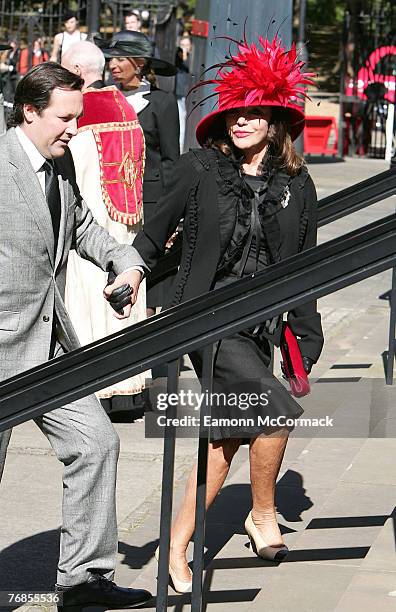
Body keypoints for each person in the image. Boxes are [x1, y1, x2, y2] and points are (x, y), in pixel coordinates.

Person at [132, 34, 324, 592]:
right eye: (233, 114)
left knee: (226, 442)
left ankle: (176, 546)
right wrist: (132, 271)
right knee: (275, 410)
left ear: (274, 124)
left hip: (261, 324)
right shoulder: (200, 170)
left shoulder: (297, 185)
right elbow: (156, 228)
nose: (239, 122)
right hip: (205, 316)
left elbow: (306, 265)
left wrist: (303, 342)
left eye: (253, 115)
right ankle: (262, 515)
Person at [0, 62, 151, 608]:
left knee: (97, 443)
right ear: (30, 111)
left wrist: (126, 263)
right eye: (64, 118)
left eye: (78, 117)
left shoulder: (57, 167)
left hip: (50, 344)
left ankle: (84, 580)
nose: (74, 129)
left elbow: (85, 225)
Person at [61, 41, 149, 419]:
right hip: (126, 225)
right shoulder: (124, 106)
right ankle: (128, 386)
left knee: (89, 300)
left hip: (93, 225)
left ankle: (94, 386)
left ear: (78, 72)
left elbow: (74, 174)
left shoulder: (83, 114)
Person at [100, 30, 180, 315]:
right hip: (112, 203)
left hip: (151, 205)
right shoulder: (104, 99)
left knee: (149, 287)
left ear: (141, 63)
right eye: (111, 59)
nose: (113, 65)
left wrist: (170, 216)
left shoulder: (162, 102)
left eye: (120, 58)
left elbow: (171, 160)